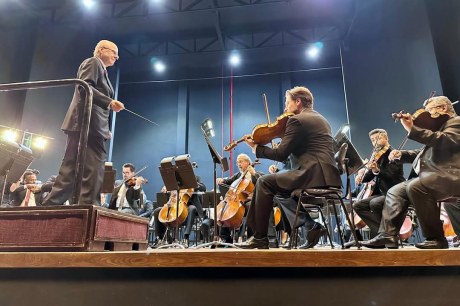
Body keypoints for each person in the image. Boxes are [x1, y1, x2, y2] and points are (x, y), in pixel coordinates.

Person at [238, 86, 342, 249]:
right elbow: (298, 152)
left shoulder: (297, 120)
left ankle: (259, 237)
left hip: (312, 173)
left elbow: (281, 154)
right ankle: (309, 225)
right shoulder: (321, 119)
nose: (285, 108)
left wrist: (256, 149)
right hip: (327, 175)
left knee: (264, 182)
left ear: (298, 101)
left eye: (287, 103)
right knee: (279, 192)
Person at [362, 96, 460, 249]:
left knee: (416, 186)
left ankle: (436, 238)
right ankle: (388, 235)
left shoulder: (456, 122)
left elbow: (443, 141)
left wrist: (412, 129)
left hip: (452, 176)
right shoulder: (439, 130)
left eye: (430, 111)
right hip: (437, 177)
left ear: (443, 108)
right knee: (396, 191)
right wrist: (402, 154)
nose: (427, 115)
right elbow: (422, 153)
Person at [43, 40, 124, 206]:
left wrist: (105, 128)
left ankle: (52, 204)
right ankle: (88, 204)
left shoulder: (102, 70)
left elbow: (93, 100)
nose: (117, 56)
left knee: (71, 168)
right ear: (101, 50)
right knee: (93, 167)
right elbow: (84, 87)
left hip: (92, 126)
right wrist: (109, 102)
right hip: (87, 126)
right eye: (113, 52)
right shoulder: (93, 62)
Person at [352, 129, 405, 239]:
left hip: (395, 192)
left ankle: (386, 234)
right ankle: (383, 234)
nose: (375, 142)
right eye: (372, 140)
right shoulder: (376, 155)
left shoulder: (394, 153)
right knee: (358, 205)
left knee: (375, 203)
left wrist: (377, 170)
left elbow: (391, 176)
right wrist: (360, 177)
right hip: (383, 193)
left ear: (386, 138)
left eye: (378, 138)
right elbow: (369, 177)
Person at [214, 153, 262, 244]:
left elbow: (262, 182)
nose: (239, 164)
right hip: (238, 200)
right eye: (237, 163)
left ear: (248, 163)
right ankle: (225, 237)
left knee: (250, 206)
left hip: (251, 200)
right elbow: (228, 180)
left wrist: (254, 174)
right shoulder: (238, 176)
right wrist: (222, 180)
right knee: (223, 210)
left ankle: (251, 237)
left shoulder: (256, 174)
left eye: (241, 162)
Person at [151, 175, 206, 247]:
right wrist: (166, 189)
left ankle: (185, 238)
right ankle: (160, 238)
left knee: (191, 208)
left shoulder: (195, 178)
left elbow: (203, 188)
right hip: (175, 205)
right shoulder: (175, 180)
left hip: (189, 206)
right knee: (157, 211)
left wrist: (193, 183)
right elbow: (171, 193)